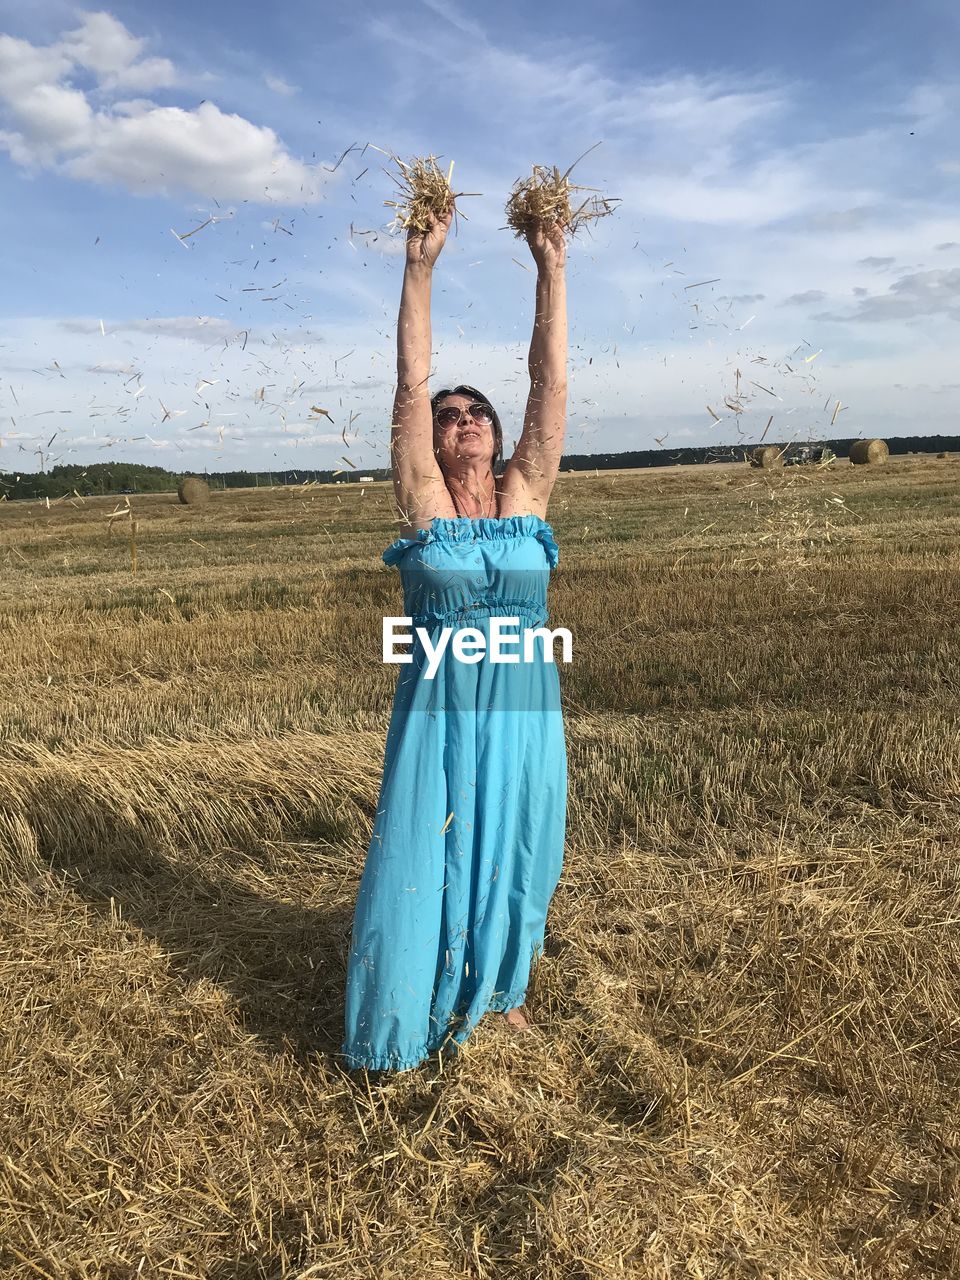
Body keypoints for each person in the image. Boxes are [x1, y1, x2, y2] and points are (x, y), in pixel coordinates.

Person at [340, 201, 568, 1073]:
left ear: (499, 436)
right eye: (449, 413)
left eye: (477, 411)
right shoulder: (424, 504)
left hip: (522, 693)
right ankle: (416, 998)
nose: (463, 416)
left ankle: (501, 988)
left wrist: (550, 263)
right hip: (439, 693)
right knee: (429, 836)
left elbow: (549, 389)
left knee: (517, 835)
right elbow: (407, 383)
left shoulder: (527, 502)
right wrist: (420, 265)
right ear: (429, 442)